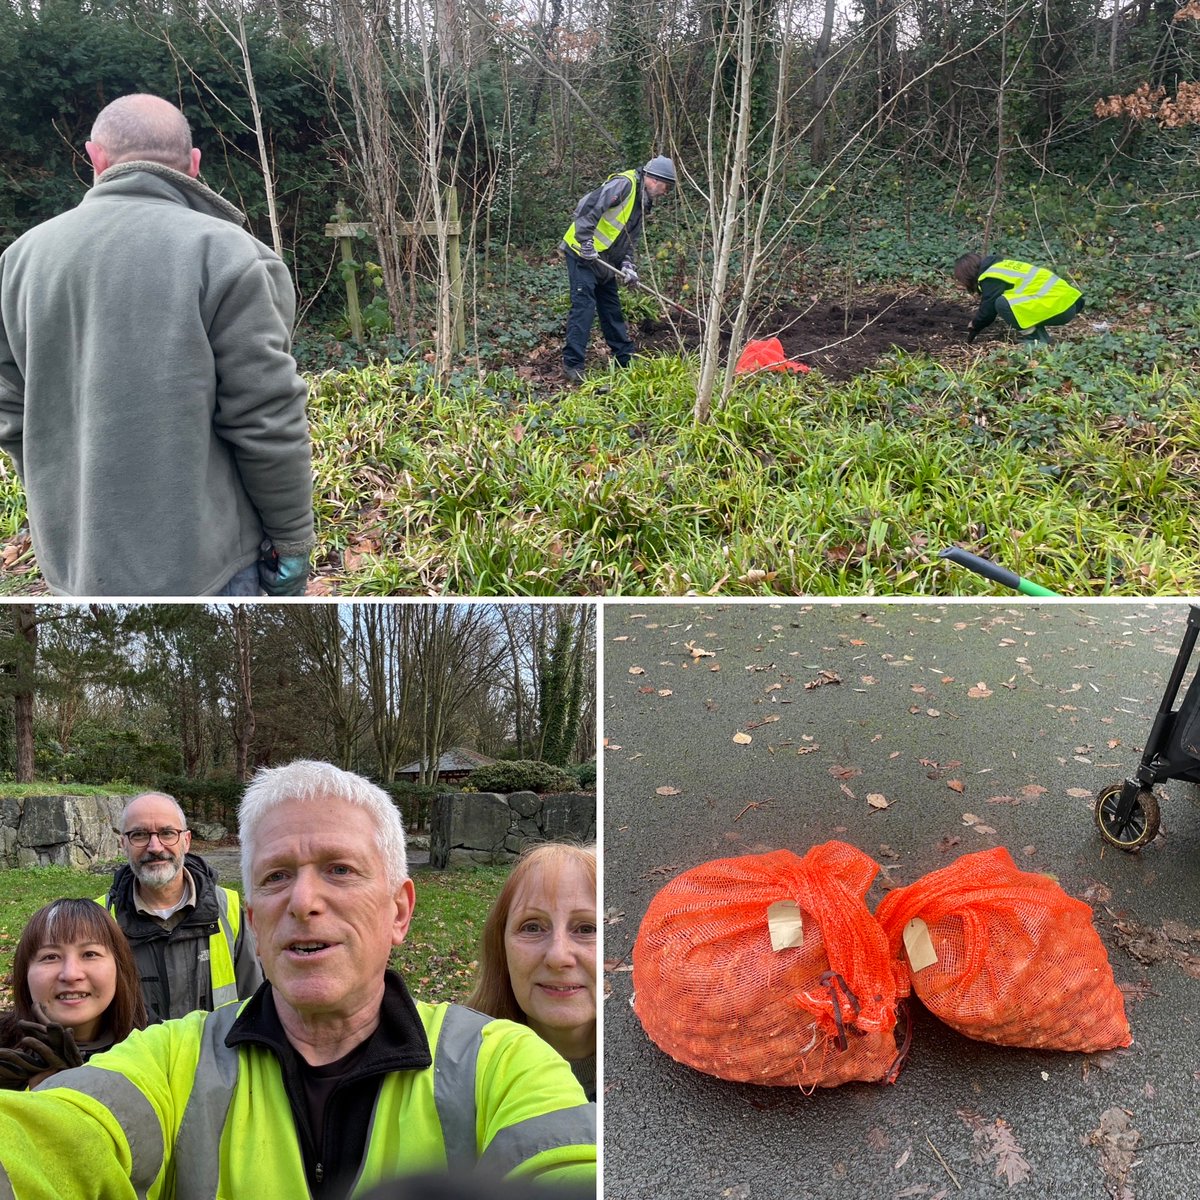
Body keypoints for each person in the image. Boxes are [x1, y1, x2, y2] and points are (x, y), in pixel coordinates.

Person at [0, 761, 595, 1198]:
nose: (305, 900)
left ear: (399, 911)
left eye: (340, 869)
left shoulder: (503, 1062)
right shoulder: (169, 1060)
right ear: (255, 920)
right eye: (278, 876)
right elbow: (62, 1135)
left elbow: (575, 1167)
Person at [0, 92, 314, 596]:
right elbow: (266, 417)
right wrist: (293, 538)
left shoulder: (20, 261)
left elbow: (11, 411)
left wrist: (59, 497)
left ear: (94, 157)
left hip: (75, 563)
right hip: (207, 568)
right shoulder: (231, 255)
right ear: (193, 164)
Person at [96, 791, 262, 1022]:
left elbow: (256, 1004)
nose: (154, 847)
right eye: (140, 835)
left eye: (167, 833)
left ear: (186, 841)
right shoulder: (100, 919)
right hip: (136, 1059)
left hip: (218, 1057)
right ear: (123, 844)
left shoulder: (229, 910)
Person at [467, 843, 597, 1101]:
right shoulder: (455, 1072)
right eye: (532, 927)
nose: (558, 956)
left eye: (585, 929)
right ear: (501, 946)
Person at [0, 899, 147, 1090]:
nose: (70, 974)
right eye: (50, 957)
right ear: (24, 973)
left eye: (90, 954)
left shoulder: (155, 1052)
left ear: (120, 967)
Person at [560, 155, 677, 382]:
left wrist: (627, 264)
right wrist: (585, 242)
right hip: (581, 255)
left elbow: (628, 238)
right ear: (653, 179)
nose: (666, 192)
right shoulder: (625, 185)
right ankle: (573, 365)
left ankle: (624, 358)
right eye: (666, 186)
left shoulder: (642, 202)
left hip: (605, 261)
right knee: (584, 307)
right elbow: (587, 206)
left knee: (611, 308)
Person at [955, 253, 1084, 349]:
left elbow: (988, 309)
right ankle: (1043, 338)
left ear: (967, 274)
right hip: (1066, 304)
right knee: (1021, 306)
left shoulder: (990, 276)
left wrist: (975, 324)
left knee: (1002, 304)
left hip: (1058, 306)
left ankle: (1035, 340)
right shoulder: (1002, 267)